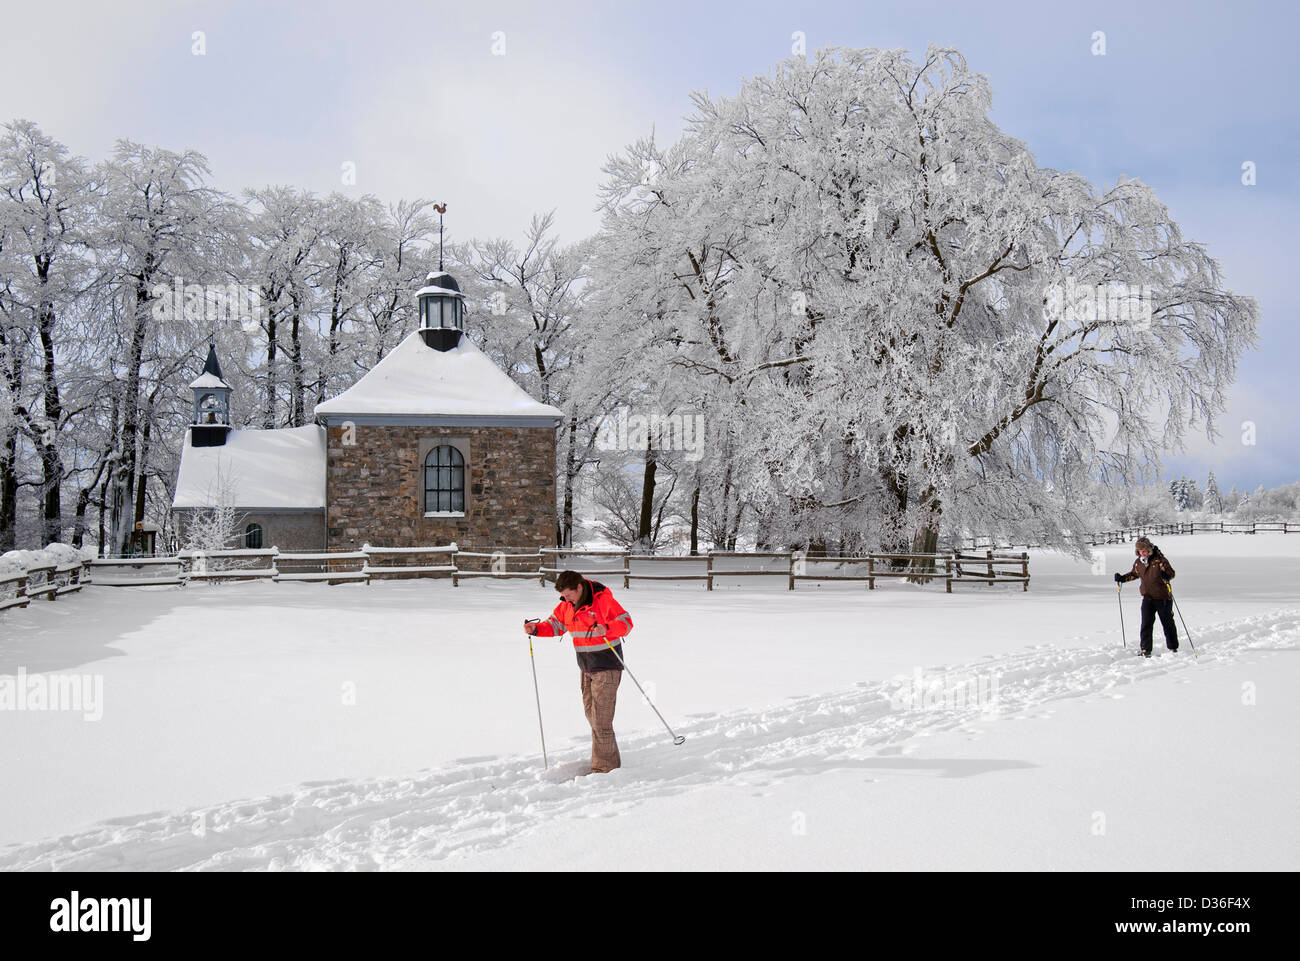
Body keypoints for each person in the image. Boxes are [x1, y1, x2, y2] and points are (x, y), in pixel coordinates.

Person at [525, 570, 634, 773]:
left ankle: (604, 769)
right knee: (593, 716)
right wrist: (536, 629)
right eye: (563, 597)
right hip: (586, 668)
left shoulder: (602, 600)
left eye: (569, 595)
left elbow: (627, 622)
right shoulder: (567, 606)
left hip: (607, 666)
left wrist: (607, 629)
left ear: (579, 587)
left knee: (601, 720)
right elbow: (555, 625)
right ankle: (609, 760)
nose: (566, 600)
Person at [1114, 536, 1177, 657]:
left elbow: (1171, 573)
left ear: (1149, 549)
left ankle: (1173, 647)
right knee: (1146, 624)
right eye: (1140, 551)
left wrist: (1166, 575)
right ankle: (1145, 650)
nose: (1143, 552)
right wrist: (1122, 578)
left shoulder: (1159, 560)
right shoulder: (1139, 563)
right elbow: (1134, 574)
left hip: (1163, 597)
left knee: (1167, 623)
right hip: (1148, 597)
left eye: (1145, 550)